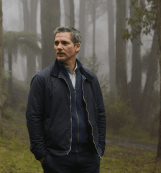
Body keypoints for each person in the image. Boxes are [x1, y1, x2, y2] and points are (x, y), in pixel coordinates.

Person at [26, 26, 106, 173]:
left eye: (64, 43)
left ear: (77, 47)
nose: (59, 47)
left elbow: (100, 114)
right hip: (56, 158)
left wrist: (99, 149)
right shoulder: (42, 79)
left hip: (89, 158)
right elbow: (33, 118)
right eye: (56, 43)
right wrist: (42, 156)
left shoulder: (90, 79)